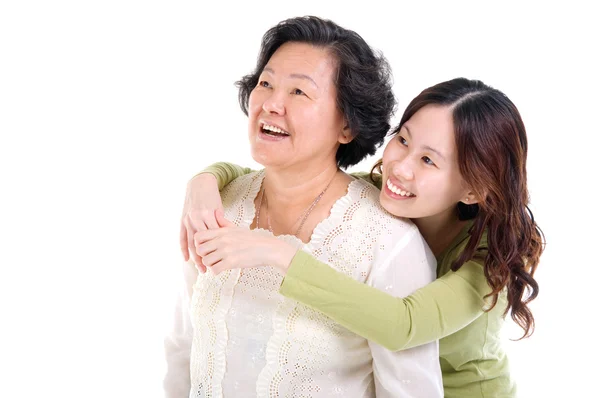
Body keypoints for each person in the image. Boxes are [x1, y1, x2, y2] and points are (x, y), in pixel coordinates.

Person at [181, 77, 544, 397]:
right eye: (403, 140)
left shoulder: (495, 258)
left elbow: (404, 324)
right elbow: (278, 177)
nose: (399, 168)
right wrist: (204, 181)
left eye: (429, 161)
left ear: (472, 190)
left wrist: (280, 254)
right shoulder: (373, 193)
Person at [164, 15, 444, 397]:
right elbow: (183, 347)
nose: (272, 104)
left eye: (299, 92)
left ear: (347, 126)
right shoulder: (216, 206)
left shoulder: (385, 241)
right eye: (266, 83)